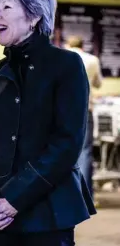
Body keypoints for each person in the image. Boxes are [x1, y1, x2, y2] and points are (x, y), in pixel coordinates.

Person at [0, 0, 96, 246]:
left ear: (34, 16)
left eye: (6, 7)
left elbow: (67, 143)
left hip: (46, 213)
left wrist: (13, 199)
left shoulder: (66, 65)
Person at [65, 35, 102, 199]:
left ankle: (66, 193)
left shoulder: (61, 57)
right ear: (82, 45)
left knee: (63, 149)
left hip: (63, 110)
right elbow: (98, 84)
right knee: (85, 151)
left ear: (68, 44)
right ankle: (85, 196)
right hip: (84, 108)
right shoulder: (92, 60)